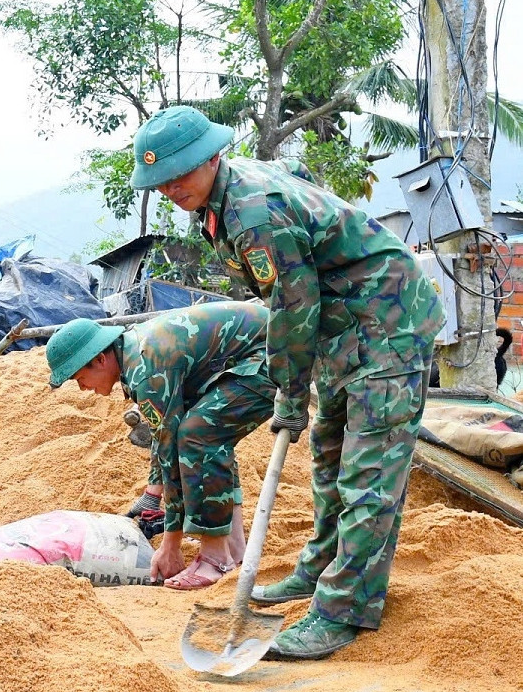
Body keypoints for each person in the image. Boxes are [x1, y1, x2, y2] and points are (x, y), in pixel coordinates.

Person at [132, 106, 443, 659]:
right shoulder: (218, 203)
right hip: (344, 330)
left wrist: (290, 392)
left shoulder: (254, 214)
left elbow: (292, 306)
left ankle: (342, 611)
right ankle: (318, 570)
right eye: (161, 181)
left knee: (368, 474)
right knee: (328, 456)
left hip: (388, 322)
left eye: (181, 172)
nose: (172, 187)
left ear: (212, 157)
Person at [45, 301, 273, 590]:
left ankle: (215, 559)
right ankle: (235, 550)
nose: (83, 388)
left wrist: (171, 543)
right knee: (204, 434)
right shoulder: (133, 354)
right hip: (251, 355)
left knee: (198, 435)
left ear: (101, 359)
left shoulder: (146, 370)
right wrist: (152, 493)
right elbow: (164, 434)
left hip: (276, 354)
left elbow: (171, 450)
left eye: (80, 378)